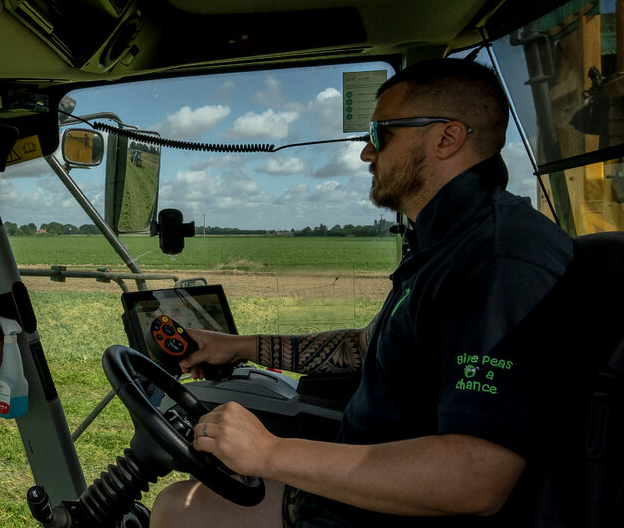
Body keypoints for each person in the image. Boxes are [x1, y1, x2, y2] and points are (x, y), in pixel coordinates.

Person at [149, 58, 575, 527]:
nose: (365, 155)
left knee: (176, 508)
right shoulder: (447, 245)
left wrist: (270, 453)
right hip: (359, 493)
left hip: (381, 514)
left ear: (447, 138)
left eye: (379, 135)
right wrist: (240, 347)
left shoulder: (498, 260)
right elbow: (362, 348)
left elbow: (476, 475)